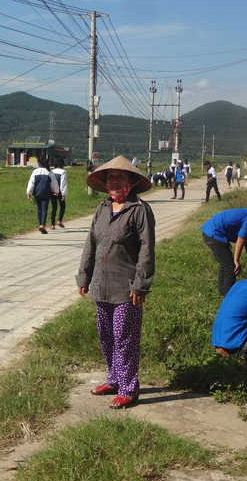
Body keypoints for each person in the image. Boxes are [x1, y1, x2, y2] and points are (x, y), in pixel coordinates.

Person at [76, 156, 155, 409]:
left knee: (125, 337)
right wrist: (84, 276)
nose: (115, 181)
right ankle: (113, 379)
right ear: (104, 181)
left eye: (120, 176)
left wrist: (141, 286)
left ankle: (129, 389)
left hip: (126, 288)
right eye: (110, 177)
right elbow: (91, 243)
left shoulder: (139, 210)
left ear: (131, 181)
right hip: (101, 284)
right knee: (106, 336)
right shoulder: (101, 209)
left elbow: (146, 250)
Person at [26, 160, 59, 234]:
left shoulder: (35, 171)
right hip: (46, 193)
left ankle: (40, 224)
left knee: (39, 208)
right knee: (44, 209)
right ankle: (42, 225)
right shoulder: (49, 172)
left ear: (39, 164)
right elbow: (54, 183)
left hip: (37, 193)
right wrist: (56, 191)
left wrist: (29, 192)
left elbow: (31, 182)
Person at [50, 158, 68, 229]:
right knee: (62, 207)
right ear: (61, 165)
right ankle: (59, 221)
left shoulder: (51, 171)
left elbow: (50, 183)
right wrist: (63, 194)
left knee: (54, 208)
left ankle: (52, 225)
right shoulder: (63, 172)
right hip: (59, 192)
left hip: (52, 192)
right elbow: (63, 183)